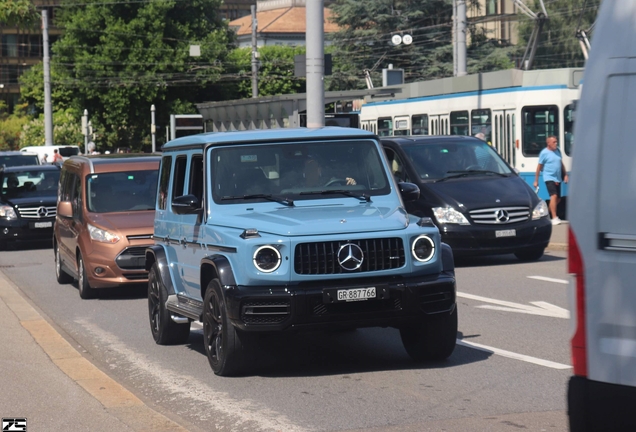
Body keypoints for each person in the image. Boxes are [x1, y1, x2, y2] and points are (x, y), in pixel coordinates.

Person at [534, 135, 568, 225]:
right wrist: (536, 180)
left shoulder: (558, 151)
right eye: (554, 142)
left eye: (556, 142)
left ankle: (546, 215)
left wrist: (565, 175)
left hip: (558, 178)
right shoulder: (544, 153)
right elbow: (539, 167)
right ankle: (554, 217)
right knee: (554, 196)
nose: (556, 143)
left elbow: (561, 163)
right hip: (549, 177)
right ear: (548, 143)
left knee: (558, 199)